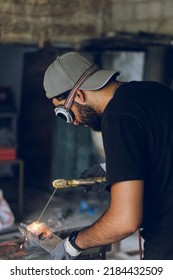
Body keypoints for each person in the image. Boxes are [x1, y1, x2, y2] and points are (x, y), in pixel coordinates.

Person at [43, 52, 173, 260]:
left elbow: (125, 220)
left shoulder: (117, 117)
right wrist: (111, 167)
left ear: (78, 95)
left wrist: (74, 244)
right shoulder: (155, 91)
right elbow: (162, 149)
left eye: (65, 114)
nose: (74, 122)